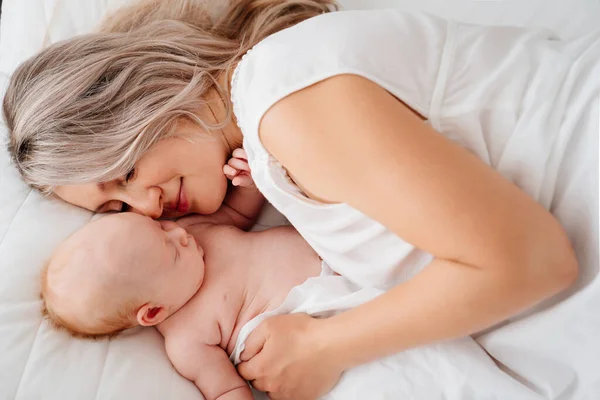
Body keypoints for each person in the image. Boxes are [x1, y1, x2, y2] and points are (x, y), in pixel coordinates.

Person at [3, 0, 598, 399]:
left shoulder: (286, 103)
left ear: (140, 99)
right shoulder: (270, 136)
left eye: (126, 168)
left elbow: (533, 260)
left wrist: (326, 346)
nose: (150, 206)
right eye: (120, 211)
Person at [42, 211, 537, 400]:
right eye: (170, 248)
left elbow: (238, 211)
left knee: (438, 313)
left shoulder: (192, 232)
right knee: (415, 374)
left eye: (161, 227)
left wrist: (246, 172)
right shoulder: (186, 339)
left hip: (352, 271)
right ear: (152, 311)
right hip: (309, 326)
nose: (178, 233)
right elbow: (225, 390)